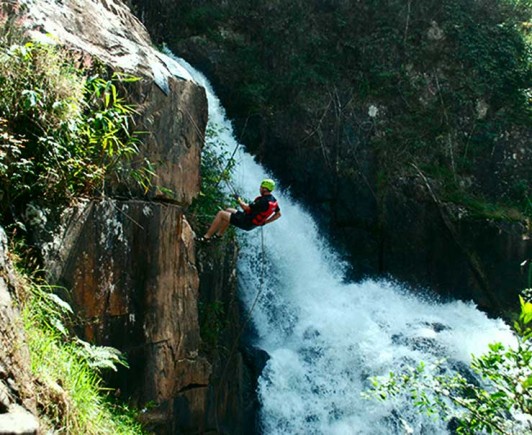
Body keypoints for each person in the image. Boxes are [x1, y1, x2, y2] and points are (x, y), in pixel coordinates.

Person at [196, 178, 282, 242]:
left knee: (221, 214)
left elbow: (245, 208)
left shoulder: (263, 201)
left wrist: (239, 200)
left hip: (246, 222)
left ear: (265, 189)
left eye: (261, 187)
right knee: (229, 210)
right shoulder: (273, 200)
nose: (259, 189)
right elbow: (278, 214)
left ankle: (206, 237)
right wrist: (265, 222)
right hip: (250, 221)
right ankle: (219, 235)